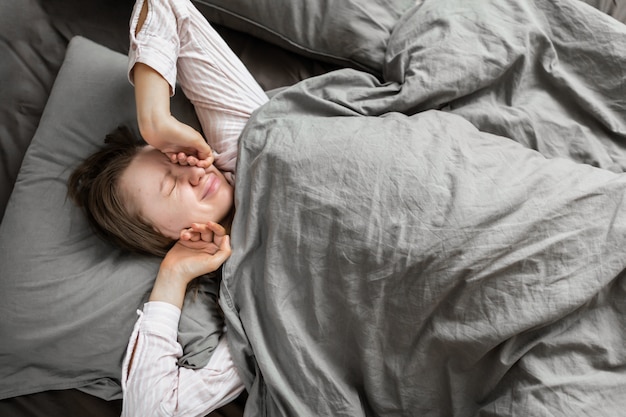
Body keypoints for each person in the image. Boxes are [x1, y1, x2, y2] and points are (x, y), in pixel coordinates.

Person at [68, 0, 269, 415]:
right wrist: (174, 274)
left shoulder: (243, 142)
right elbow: (152, 409)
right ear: (162, 233)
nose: (193, 173)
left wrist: (156, 122)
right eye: (169, 186)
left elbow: (164, 6)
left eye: (175, 160)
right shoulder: (246, 295)